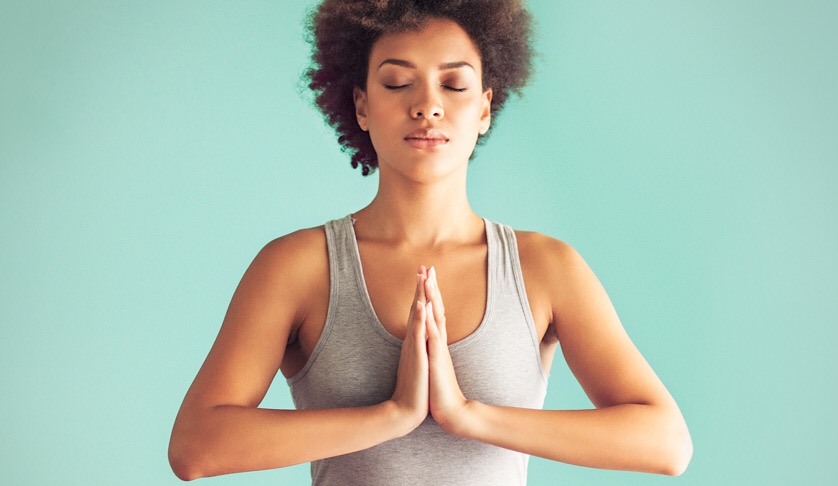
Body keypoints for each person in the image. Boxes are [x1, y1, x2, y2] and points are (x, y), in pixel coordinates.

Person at [168, 1, 693, 483]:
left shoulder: (544, 268)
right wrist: (390, 415)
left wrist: (467, 415)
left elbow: (666, 443)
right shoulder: (299, 267)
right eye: (397, 83)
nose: (427, 106)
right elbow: (195, 448)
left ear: (485, 108)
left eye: (454, 85)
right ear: (362, 106)